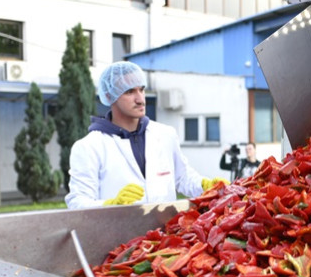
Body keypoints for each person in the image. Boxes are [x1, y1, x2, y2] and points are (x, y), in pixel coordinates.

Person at [65, 61, 225, 209]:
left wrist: (205, 184)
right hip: (117, 236)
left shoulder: (165, 134)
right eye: (129, 92)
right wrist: (110, 205)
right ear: (109, 96)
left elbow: (182, 178)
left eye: (141, 89)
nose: (140, 99)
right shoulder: (89, 146)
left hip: (166, 236)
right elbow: (77, 202)